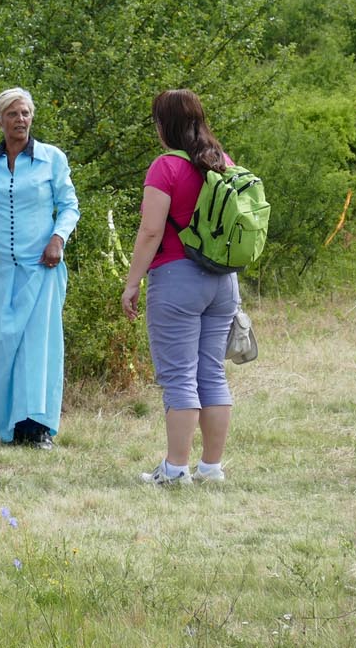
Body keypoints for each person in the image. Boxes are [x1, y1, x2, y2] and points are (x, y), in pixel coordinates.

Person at [121, 89, 238, 485]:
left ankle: (174, 470)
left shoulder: (165, 167)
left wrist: (132, 283)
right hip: (223, 281)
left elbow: (152, 230)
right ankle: (211, 468)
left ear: (163, 125)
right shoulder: (221, 161)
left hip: (177, 279)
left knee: (179, 376)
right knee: (212, 374)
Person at [0, 87, 80, 449]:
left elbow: (69, 206)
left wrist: (57, 240)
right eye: (13, 114)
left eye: (26, 113)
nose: (20, 120)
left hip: (41, 267)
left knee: (37, 347)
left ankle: (35, 427)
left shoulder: (52, 159)